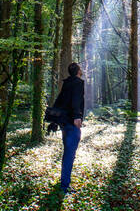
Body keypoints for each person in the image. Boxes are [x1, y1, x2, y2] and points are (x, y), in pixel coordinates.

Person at [52, 62, 84, 194]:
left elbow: (59, 101)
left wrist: (54, 120)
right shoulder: (78, 82)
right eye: (80, 69)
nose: (81, 71)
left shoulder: (66, 83)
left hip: (64, 123)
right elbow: (76, 100)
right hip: (71, 122)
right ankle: (64, 186)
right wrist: (77, 116)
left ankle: (64, 182)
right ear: (77, 71)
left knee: (68, 153)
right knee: (69, 154)